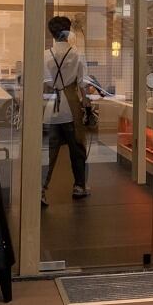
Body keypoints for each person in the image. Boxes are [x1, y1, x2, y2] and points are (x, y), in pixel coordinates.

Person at [41, 16, 89, 206]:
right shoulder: (77, 54)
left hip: (50, 107)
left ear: (51, 33)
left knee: (48, 152)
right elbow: (83, 84)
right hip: (71, 106)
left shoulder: (45, 55)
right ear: (68, 32)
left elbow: (41, 82)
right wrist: (87, 104)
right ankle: (79, 186)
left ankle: (41, 189)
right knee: (77, 148)